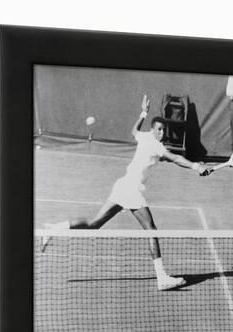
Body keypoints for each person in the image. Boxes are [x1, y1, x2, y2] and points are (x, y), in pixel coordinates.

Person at [43, 95, 206, 291]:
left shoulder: (144, 136)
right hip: (130, 189)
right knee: (152, 230)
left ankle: (53, 229)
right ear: (153, 130)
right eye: (159, 130)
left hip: (122, 186)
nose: (162, 133)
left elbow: (134, 130)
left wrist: (143, 112)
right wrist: (196, 166)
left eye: (164, 130)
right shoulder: (155, 144)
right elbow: (176, 158)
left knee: (95, 224)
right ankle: (162, 277)